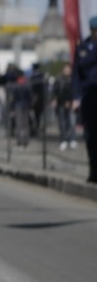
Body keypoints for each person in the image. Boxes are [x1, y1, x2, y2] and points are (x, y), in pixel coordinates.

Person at [73, 19, 97, 182]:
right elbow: (76, 75)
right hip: (89, 97)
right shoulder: (82, 48)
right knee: (90, 136)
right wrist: (76, 97)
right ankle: (94, 171)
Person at [53, 63, 78, 150]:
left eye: (68, 69)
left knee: (72, 122)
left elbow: (76, 91)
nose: (67, 70)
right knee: (62, 123)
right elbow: (55, 91)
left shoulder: (74, 79)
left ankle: (72, 139)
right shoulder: (58, 79)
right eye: (65, 69)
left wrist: (74, 101)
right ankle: (63, 140)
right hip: (61, 103)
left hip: (72, 103)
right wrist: (54, 99)